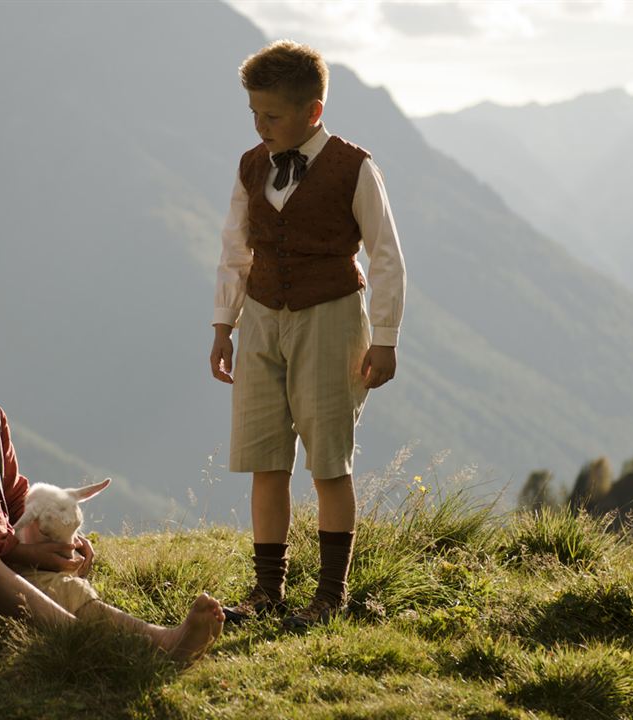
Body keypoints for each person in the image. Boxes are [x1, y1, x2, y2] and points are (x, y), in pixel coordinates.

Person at [0, 281, 224, 662]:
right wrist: (23, 550)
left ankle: (163, 643)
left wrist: (57, 537)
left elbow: (14, 493)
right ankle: (91, 648)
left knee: (63, 589)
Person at [209, 40, 406, 629]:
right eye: (254, 113)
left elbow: (386, 256)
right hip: (261, 318)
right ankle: (267, 594)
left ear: (312, 112)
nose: (260, 126)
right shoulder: (251, 165)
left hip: (331, 315)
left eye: (272, 115)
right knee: (265, 460)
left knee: (328, 463)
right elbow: (234, 252)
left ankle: (329, 596)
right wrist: (224, 325)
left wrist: (386, 336)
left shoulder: (354, 166)